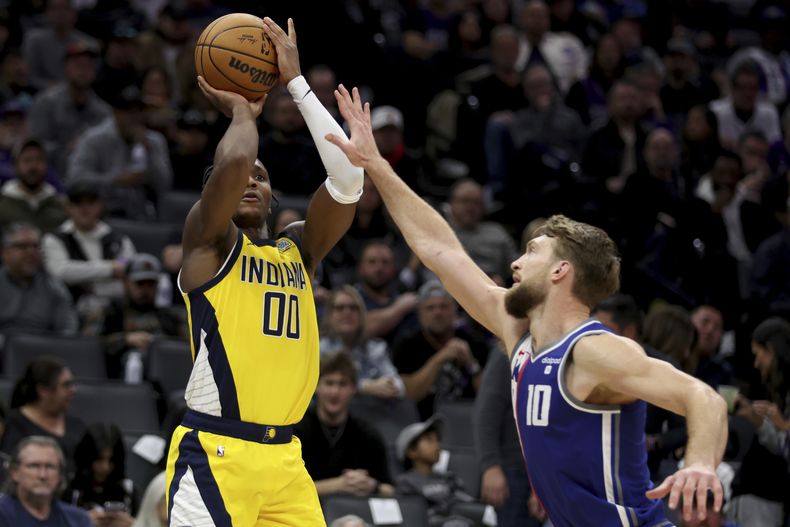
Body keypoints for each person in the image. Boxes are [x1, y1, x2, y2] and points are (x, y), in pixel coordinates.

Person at [328, 83, 728, 525]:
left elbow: (702, 395)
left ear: (561, 271)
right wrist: (375, 165)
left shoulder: (594, 352)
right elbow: (440, 251)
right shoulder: (517, 330)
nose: (515, 262)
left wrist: (700, 462)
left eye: (532, 252)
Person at [165, 18, 362, 527]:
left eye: (263, 176)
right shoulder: (207, 241)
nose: (251, 177)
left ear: (274, 196)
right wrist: (240, 110)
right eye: (243, 176)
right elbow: (232, 166)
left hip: (285, 462)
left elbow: (348, 179)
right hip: (216, 454)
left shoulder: (298, 249)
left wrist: (295, 83)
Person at [294, 352, 395, 497]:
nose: (335, 392)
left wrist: (372, 485)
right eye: (329, 383)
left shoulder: (367, 435)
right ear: (316, 386)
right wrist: (338, 485)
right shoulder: (297, 431)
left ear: (353, 389)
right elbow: (287, 489)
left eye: (343, 384)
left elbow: (391, 490)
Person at [0, 357, 86, 474]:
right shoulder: (10, 425)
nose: (73, 390)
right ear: (43, 391)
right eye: (66, 385)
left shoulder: (77, 426)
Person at [320, 286, 405, 399]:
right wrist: (363, 387)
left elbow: (399, 387)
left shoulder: (375, 348)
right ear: (330, 316)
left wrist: (389, 386)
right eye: (340, 308)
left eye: (353, 308)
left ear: (362, 315)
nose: (347, 312)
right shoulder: (318, 350)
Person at [395, 415, 477, 527]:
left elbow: (468, 503)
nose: (438, 445)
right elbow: (414, 517)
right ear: (411, 451)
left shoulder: (448, 477)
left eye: (437, 440)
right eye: (429, 440)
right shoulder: (406, 482)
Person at [0, 222, 78, 336]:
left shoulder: (53, 286)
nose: (31, 252)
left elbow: (67, 328)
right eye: (22, 246)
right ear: (4, 253)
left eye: (36, 246)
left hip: (43, 349)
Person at [0, 436, 92, 527]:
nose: (42, 475)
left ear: (60, 474)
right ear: (14, 472)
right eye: (34, 466)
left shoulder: (77, 519)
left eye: (50, 466)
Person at [65, 423, 134, 527]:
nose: (105, 467)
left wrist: (133, 524)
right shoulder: (69, 489)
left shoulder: (128, 489)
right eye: (99, 459)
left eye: (111, 460)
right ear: (87, 458)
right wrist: (82, 521)